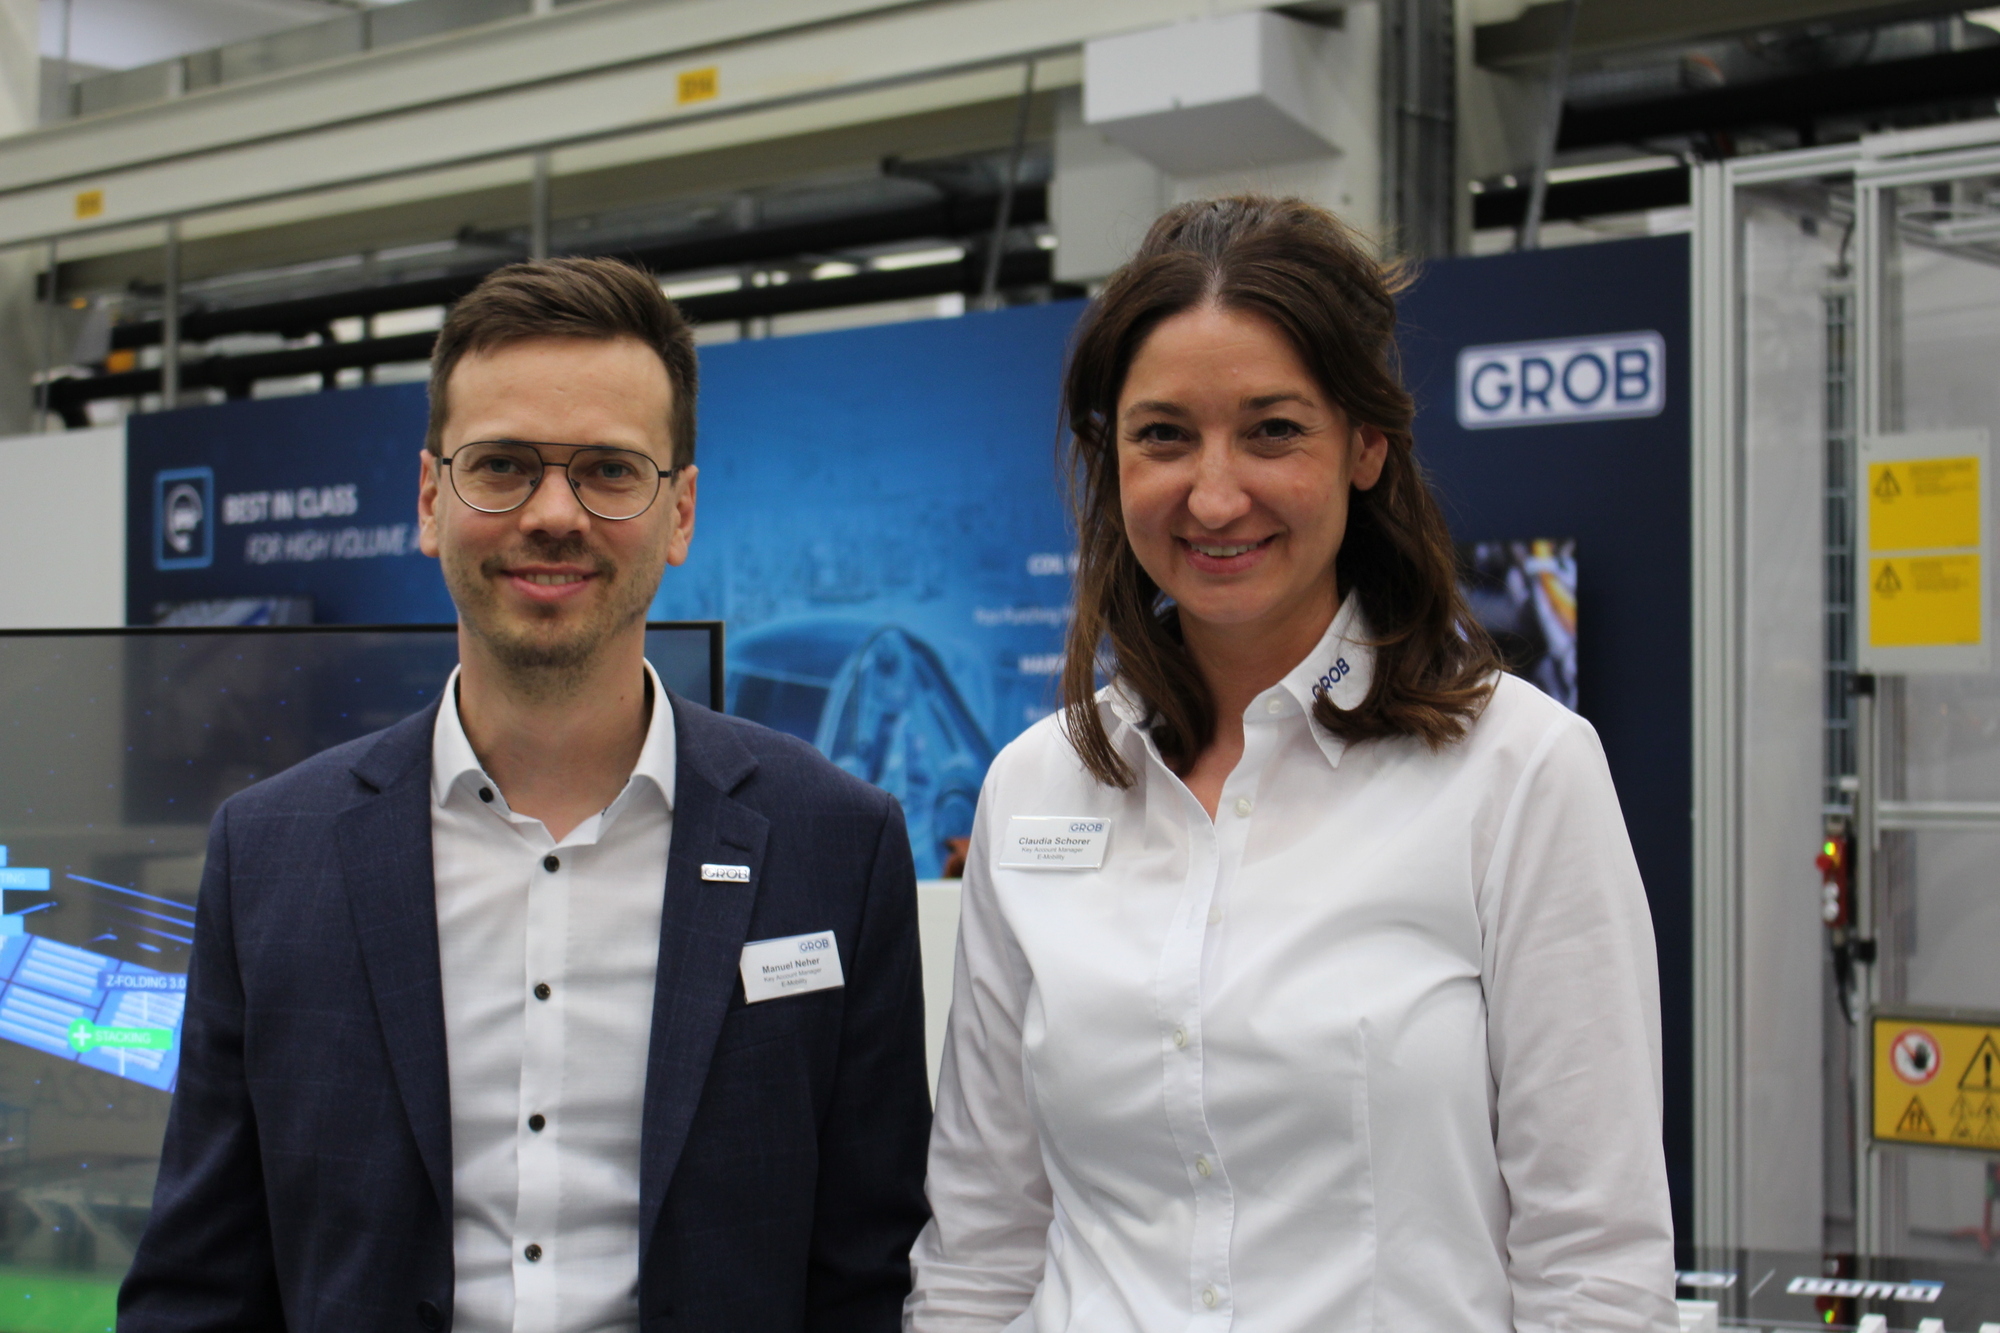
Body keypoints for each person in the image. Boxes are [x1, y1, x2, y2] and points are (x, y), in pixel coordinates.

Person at [906, 197, 1675, 1332]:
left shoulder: (1517, 772)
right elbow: (983, 1237)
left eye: (1271, 430)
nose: (1214, 495)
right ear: (1109, 455)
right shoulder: (1037, 784)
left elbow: (1591, 1262)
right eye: (1163, 434)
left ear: (1365, 445)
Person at [119, 257, 932, 1332]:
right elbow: (199, 1288)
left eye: (607, 469)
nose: (554, 514)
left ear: (679, 512)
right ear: (428, 498)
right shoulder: (272, 854)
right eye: (501, 464)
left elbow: (866, 1279)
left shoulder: (836, 846)